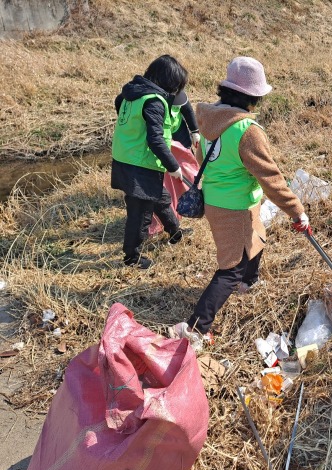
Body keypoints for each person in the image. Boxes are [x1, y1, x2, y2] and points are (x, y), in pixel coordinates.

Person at [171, 56, 310, 346]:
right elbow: (270, 177)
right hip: (235, 207)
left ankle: (249, 280)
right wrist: (297, 211)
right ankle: (196, 327)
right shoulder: (247, 130)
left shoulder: (210, 119)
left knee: (257, 236)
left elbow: (202, 158)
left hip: (218, 201)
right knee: (230, 269)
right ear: (253, 96)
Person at [111, 54, 191, 269]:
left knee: (161, 199)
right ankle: (132, 258)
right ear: (168, 81)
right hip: (139, 165)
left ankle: (175, 232)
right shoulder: (154, 101)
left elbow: (118, 105)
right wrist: (173, 166)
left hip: (125, 159)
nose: (174, 92)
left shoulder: (131, 93)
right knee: (140, 214)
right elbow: (155, 139)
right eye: (175, 86)